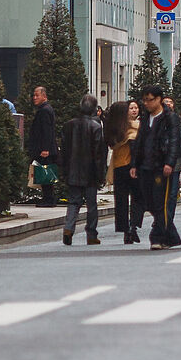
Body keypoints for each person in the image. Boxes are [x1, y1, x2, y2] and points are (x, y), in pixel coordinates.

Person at [134, 85, 181, 249]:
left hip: (161, 166)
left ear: (159, 99)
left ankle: (157, 237)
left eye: (150, 100)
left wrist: (170, 162)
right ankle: (172, 237)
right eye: (144, 100)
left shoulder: (170, 118)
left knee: (160, 203)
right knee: (149, 202)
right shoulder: (145, 117)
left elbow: (175, 141)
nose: (146, 103)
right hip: (145, 165)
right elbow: (140, 141)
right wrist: (134, 164)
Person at [59, 94, 107, 246]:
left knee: (73, 202)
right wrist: (101, 175)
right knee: (91, 204)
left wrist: (64, 170)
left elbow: (64, 151)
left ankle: (68, 228)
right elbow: (99, 154)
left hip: (73, 169)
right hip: (90, 172)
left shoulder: (68, 125)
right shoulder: (96, 127)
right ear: (94, 109)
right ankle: (91, 234)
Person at [105, 100, 141, 244]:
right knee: (137, 198)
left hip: (118, 167)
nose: (133, 110)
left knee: (121, 200)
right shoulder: (133, 129)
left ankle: (125, 229)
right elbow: (135, 150)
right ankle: (133, 226)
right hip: (132, 167)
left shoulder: (113, 129)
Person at [27, 86, 59, 207]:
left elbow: (47, 131)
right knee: (44, 173)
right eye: (34, 95)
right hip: (45, 148)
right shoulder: (45, 109)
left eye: (37, 95)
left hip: (45, 149)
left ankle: (48, 199)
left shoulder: (44, 110)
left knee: (45, 173)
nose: (34, 98)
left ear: (44, 96)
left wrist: (45, 148)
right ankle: (48, 198)